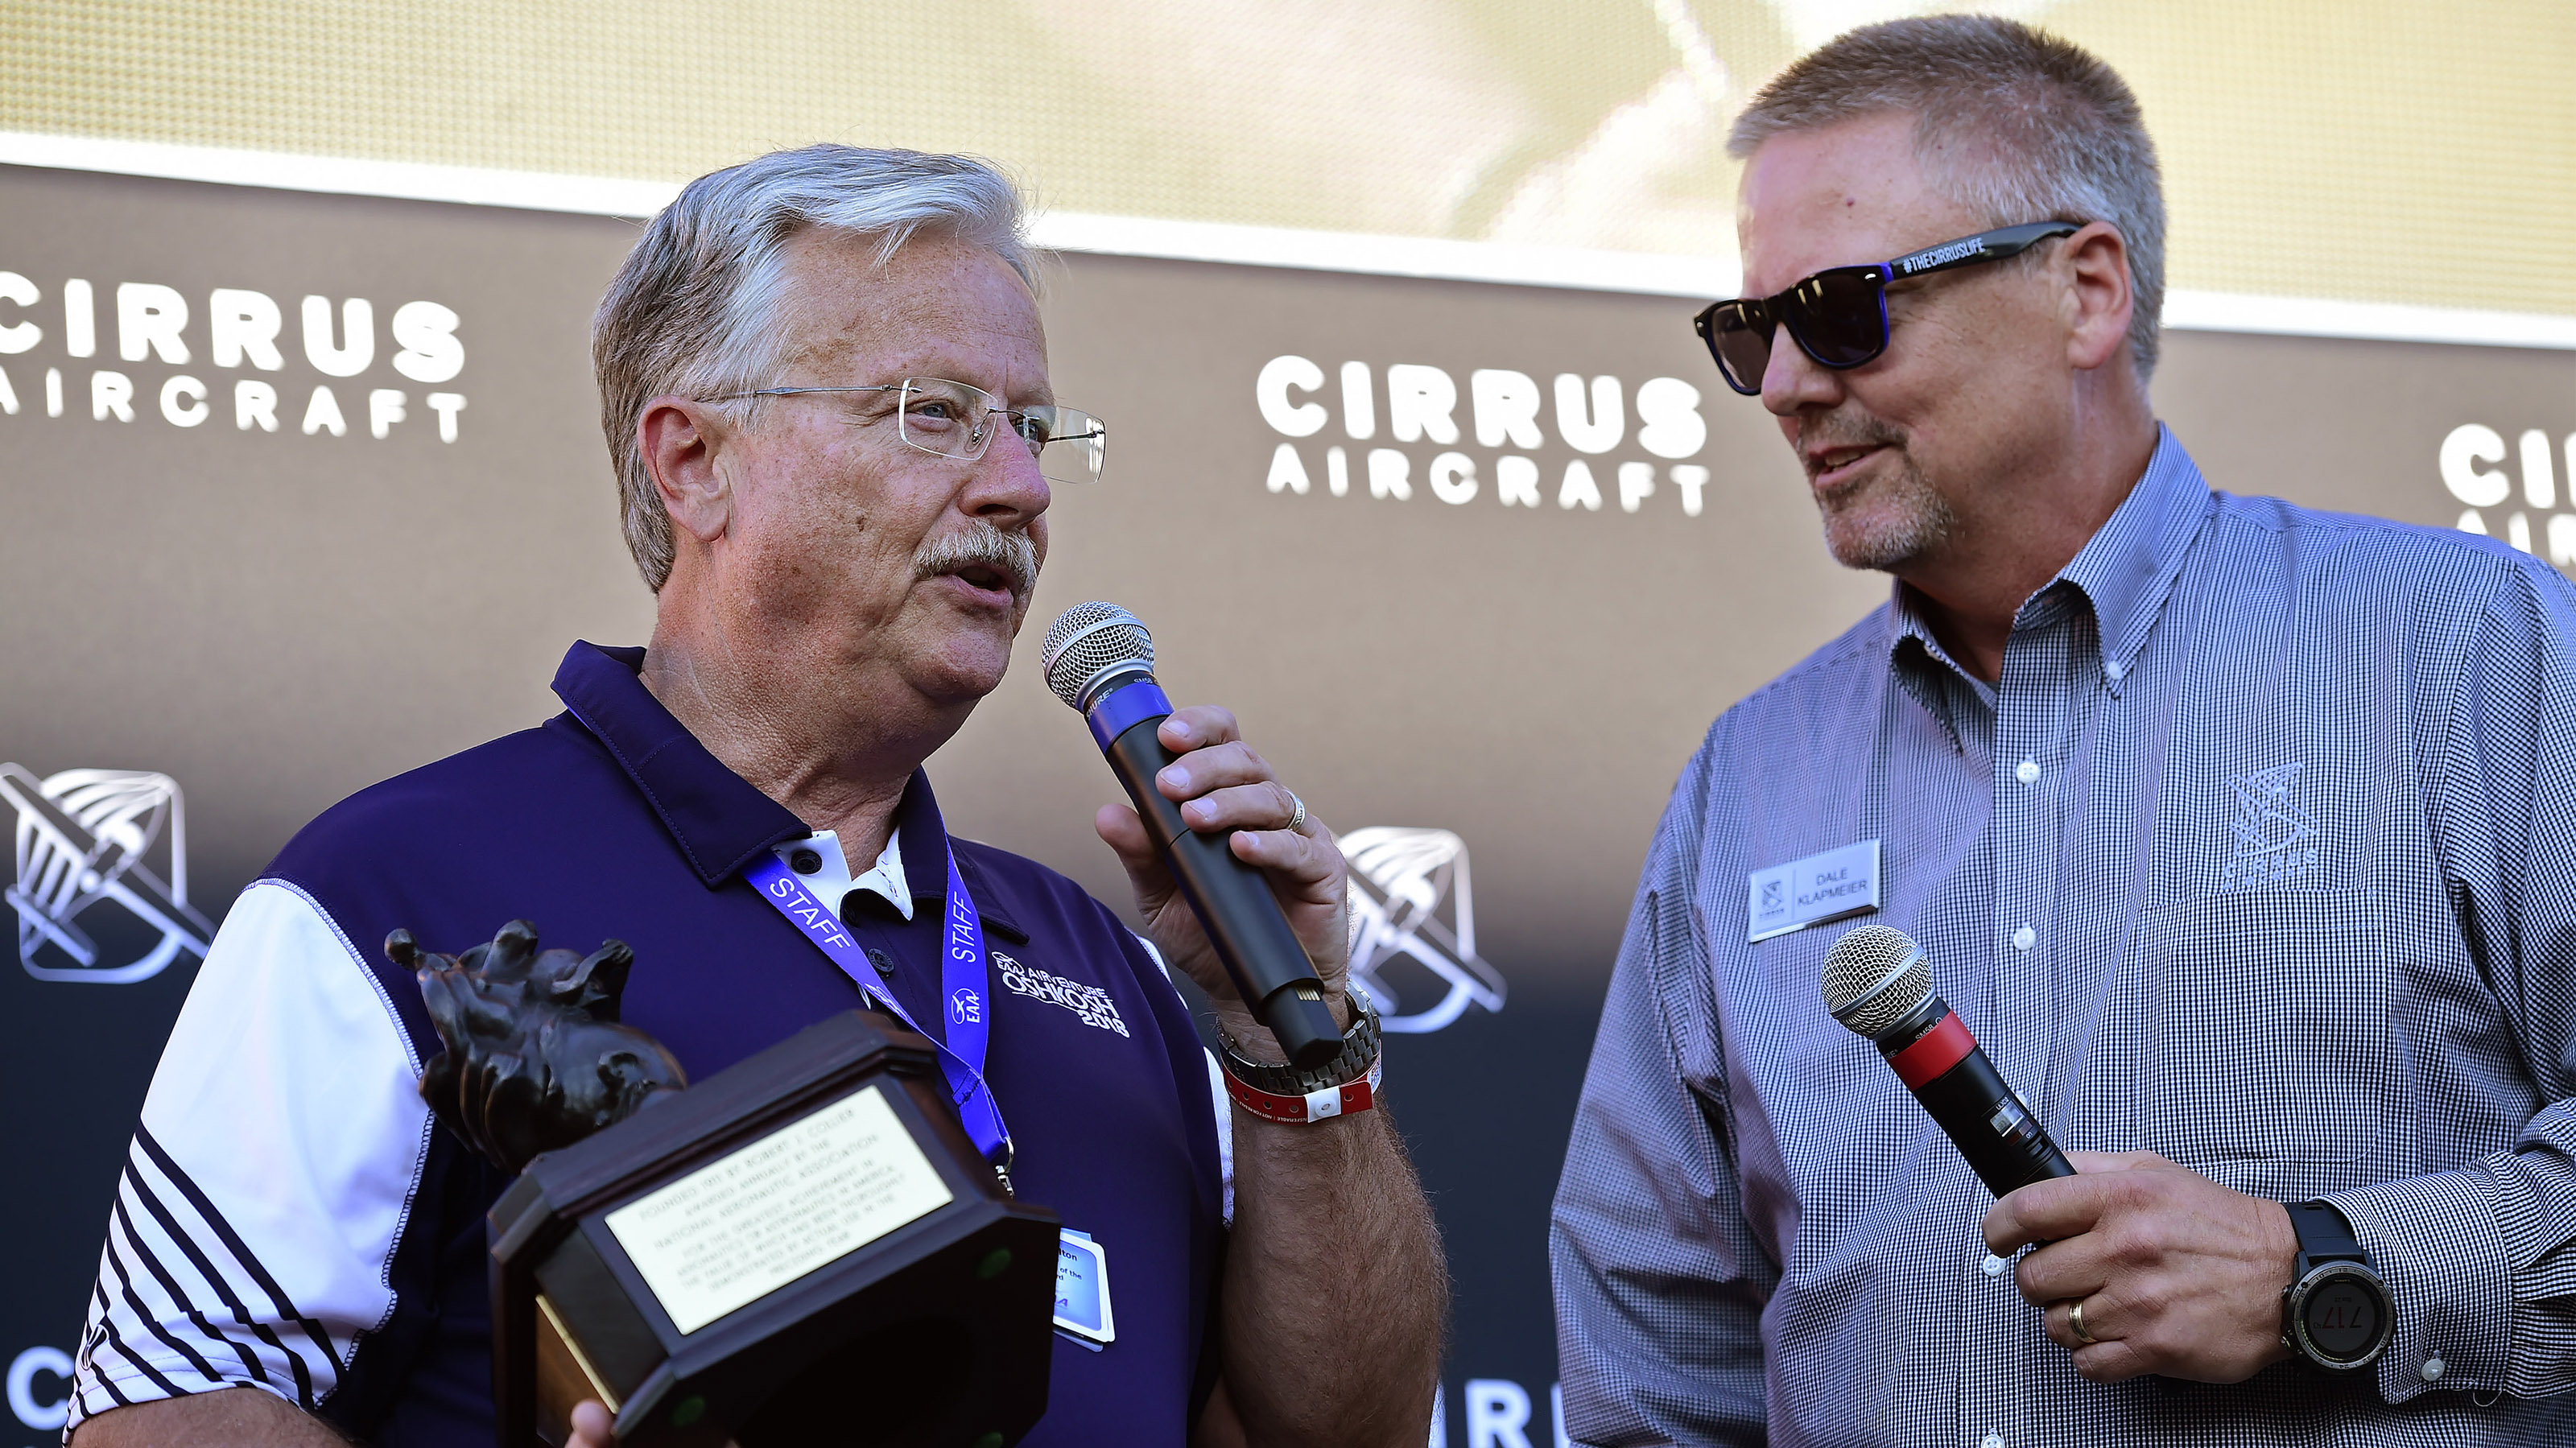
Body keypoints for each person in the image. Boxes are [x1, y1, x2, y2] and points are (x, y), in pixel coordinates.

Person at [65, 145, 1444, 1448]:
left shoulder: (1120, 971)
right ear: (693, 462)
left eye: (1033, 428)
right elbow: (163, 1410)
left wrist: (1294, 1046)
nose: (1021, 487)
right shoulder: (396, 889)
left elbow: (1330, 1434)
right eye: (935, 413)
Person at [1551, 14, 2576, 1446]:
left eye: (1844, 307)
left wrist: (2327, 1268)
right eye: (1752, 331)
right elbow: (1652, 1365)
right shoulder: (1750, 781)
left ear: (2086, 290)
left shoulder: (2460, 647)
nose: (1785, 384)